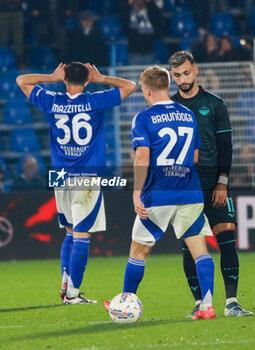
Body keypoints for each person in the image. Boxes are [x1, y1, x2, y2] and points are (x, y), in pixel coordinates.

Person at [16, 61, 136, 304]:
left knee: (70, 232)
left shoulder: (53, 100)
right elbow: (131, 86)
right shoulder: (95, 100)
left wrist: (50, 77)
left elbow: (22, 80)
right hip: (87, 176)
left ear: (64, 79)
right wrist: (102, 78)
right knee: (82, 235)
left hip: (60, 176)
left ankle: (66, 283)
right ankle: (72, 294)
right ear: (87, 80)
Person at [105, 65, 216, 320]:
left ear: (146, 91)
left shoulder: (143, 118)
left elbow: (142, 156)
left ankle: (124, 303)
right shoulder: (188, 114)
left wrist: (136, 193)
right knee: (200, 251)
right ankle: (207, 306)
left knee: (138, 252)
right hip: (189, 192)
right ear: (168, 86)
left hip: (158, 194)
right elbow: (196, 155)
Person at [169, 50, 253, 317]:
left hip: (214, 184)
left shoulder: (215, 104)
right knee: (189, 247)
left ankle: (231, 303)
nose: (182, 79)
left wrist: (222, 183)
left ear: (195, 71)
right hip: (186, 188)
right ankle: (199, 303)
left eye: (185, 72)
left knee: (227, 238)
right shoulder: (169, 108)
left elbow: (225, 147)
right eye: (176, 75)